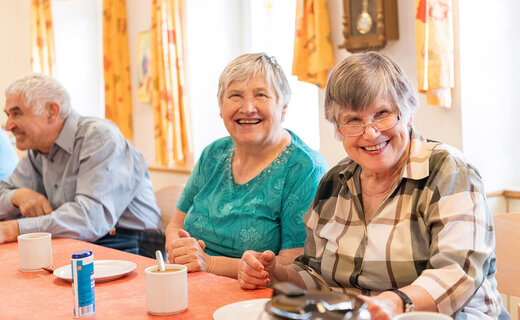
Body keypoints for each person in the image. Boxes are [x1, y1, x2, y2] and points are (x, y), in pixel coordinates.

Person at [238, 52, 508, 320]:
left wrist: (396, 303)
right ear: (338, 128)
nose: (370, 132)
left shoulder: (448, 171)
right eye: (353, 120)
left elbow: (458, 272)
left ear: (408, 112)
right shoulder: (334, 182)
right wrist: (276, 275)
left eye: (382, 114)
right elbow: (317, 275)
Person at [165, 53, 328, 278]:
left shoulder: (305, 169)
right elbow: (175, 226)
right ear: (221, 108)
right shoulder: (212, 154)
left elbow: (294, 265)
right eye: (235, 96)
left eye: (261, 95)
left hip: (258, 298)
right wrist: (178, 250)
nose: (248, 108)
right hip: (190, 282)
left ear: (283, 108)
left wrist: (210, 263)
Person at [0, 73, 165, 258]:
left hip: (133, 243)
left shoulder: (100, 137)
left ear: (52, 111)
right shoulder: (37, 150)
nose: (8, 126)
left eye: (17, 113)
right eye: (8, 115)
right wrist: (17, 195)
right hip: (82, 240)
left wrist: (13, 229)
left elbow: (90, 219)